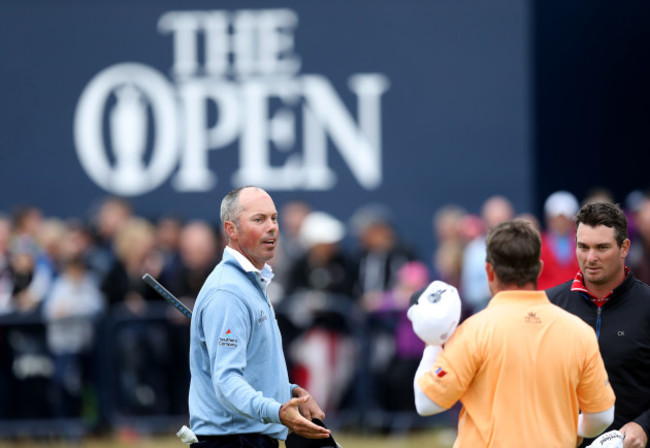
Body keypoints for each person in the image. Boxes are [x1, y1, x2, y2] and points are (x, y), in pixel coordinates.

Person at [413, 219, 616, 447]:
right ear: (539, 268)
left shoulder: (472, 332)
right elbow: (602, 416)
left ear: (489, 271)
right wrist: (570, 429)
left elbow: (426, 402)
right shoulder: (579, 332)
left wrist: (433, 341)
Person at [188, 186, 330, 447]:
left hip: (250, 437)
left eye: (274, 218)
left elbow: (250, 372)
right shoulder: (227, 292)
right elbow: (228, 382)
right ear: (231, 230)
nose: (272, 227)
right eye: (259, 219)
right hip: (232, 441)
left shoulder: (251, 282)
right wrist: (276, 411)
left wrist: (288, 393)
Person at [548, 202, 650, 448]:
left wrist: (645, 426)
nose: (590, 258)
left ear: (624, 247)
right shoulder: (548, 305)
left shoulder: (647, 305)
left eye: (602, 247)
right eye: (583, 247)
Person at [537, 190, 581, 289]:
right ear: (548, 219)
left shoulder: (584, 245)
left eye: (565, 219)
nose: (560, 223)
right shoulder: (537, 244)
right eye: (556, 219)